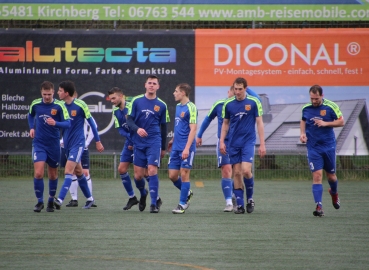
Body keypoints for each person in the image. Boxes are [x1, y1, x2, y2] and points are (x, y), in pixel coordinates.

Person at [196, 85, 261, 212]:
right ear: (228, 92)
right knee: (227, 170)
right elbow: (207, 119)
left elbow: (257, 99)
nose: (236, 93)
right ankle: (229, 202)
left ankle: (243, 198)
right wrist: (199, 135)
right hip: (224, 142)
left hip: (239, 142)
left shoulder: (246, 103)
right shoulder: (220, 104)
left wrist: (247, 88)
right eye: (233, 90)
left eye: (239, 90)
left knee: (242, 172)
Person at [54, 80, 104, 209]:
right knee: (79, 171)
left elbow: (92, 124)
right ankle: (90, 198)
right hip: (66, 145)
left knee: (68, 171)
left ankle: (59, 199)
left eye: (59, 90)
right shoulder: (59, 106)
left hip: (78, 144)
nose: (57, 93)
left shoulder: (81, 105)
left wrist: (97, 141)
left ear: (66, 93)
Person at [220, 77, 266, 214]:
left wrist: (262, 143)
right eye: (236, 89)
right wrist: (222, 141)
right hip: (233, 143)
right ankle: (240, 204)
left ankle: (250, 198)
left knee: (246, 171)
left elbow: (259, 123)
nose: (238, 92)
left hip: (248, 141)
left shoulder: (253, 102)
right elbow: (225, 123)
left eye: (240, 89)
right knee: (237, 172)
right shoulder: (228, 104)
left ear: (246, 89)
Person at [127, 75, 169, 213]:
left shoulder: (162, 105)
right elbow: (129, 121)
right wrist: (137, 129)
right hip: (139, 142)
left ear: (158, 86)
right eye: (149, 83)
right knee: (138, 176)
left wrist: (163, 148)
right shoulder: (136, 101)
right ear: (145, 85)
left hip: (154, 141)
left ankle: (154, 204)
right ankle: (143, 193)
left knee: (152, 170)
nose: (151, 85)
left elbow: (164, 128)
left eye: (154, 83)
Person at [300, 85, 344, 217]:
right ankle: (319, 206)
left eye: (317, 98)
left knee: (331, 176)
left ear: (322, 96)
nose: (314, 101)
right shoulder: (306, 108)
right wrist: (302, 133)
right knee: (317, 176)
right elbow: (303, 120)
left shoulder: (331, 106)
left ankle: (334, 193)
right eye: (312, 98)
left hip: (328, 146)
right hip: (313, 147)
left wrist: (325, 123)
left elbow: (341, 122)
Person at [28, 81, 70, 212]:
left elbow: (68, 123)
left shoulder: (59, 106)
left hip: (53, 144)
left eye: (49, 94)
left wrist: (55, 123)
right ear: (41, 93)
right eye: (45, 94)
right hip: (39, 143)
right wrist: (31, 128)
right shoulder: (35, 104)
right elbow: (30, 115)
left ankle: (51, 200)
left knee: (52, 175)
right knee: (39, 172)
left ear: (53, 93)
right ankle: (40, 201)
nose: (47, 97)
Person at [108, 87, 143, 211]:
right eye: (110, 98)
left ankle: (152, 197)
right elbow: (120, 129)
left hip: (139, 142)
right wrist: (130, 139)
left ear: (121, 96)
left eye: (114, 98)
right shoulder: (115, 111)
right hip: (129, 143)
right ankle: (132, 197)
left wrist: (135, 141)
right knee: (121, 169)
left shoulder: (131, 107)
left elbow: (139, 126)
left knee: (143, 174)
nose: (112, 101)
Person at [168, 83, 197, 214]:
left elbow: (193, 129)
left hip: (187, 148)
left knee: (184, 173)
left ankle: (182, 204)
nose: (174, 93)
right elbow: (179, 126)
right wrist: (173, 139)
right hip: (176, 147)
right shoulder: (178, 107)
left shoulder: (191, 107)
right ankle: (187, 192)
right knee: (172, 176)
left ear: (183, 93)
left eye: (176, 91)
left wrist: (186, 148)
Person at [60, 116, 97, 208]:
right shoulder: (62, 109)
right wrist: (60, 141)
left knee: (85, 172)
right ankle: (74, 199)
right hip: (67, 147)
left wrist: (87, 142)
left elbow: (94, 126)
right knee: (72, 172)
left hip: (80, 146)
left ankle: (90, 198)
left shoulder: (80, 109)